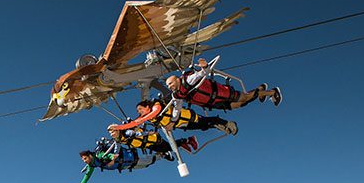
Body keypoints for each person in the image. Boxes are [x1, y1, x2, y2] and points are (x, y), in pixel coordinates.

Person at [164, 57, 281, 110]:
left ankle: (272, 92)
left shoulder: (188, 80)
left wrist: (204, 67)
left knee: (245, 98)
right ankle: (261, 90)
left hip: (220, 93)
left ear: (177, 79)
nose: (170, 86)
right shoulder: (179, 94)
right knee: (241, 104)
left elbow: (200, 74)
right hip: (215, 103)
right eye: (168, 85)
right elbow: (177, 107)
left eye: (170, 83)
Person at [108, 98, 238, 138]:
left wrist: (119, 127)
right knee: (204, 126)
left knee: (207, 121)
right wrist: (118, 127)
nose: (140, 112)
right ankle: (220, 126)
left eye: (140, 109)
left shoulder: (156, 107)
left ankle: (227, 123)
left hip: (186, 117)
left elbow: (152, 114)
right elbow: (135, 123)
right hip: (182, 124)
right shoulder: (147, 116)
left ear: (147, 106)